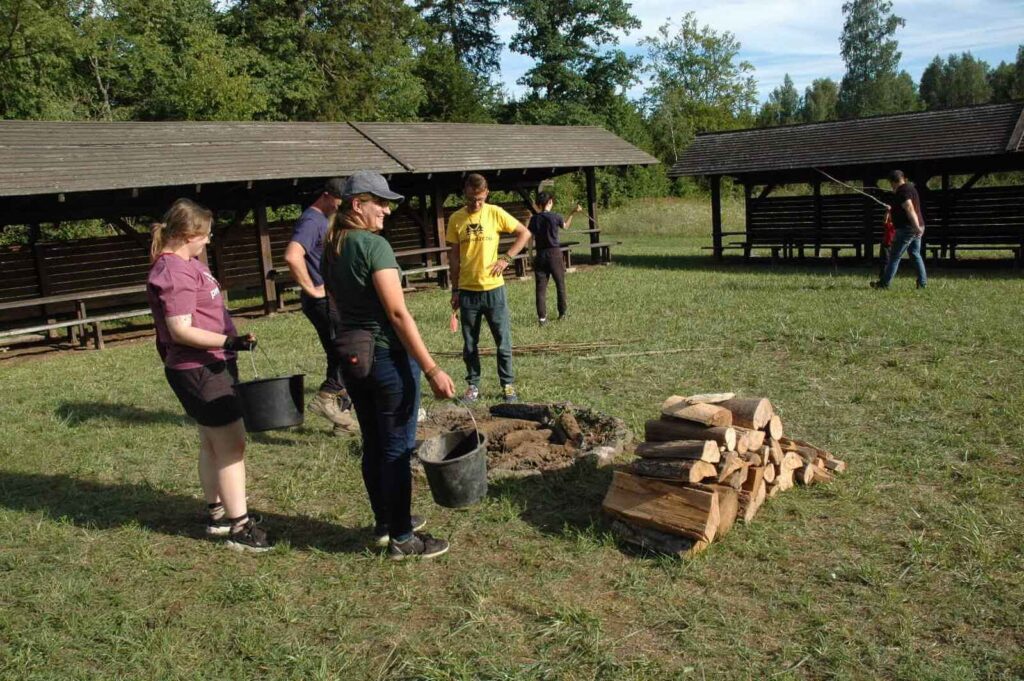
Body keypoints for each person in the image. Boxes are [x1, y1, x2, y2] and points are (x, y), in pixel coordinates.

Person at [323, 171, 456, 560]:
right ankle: (402, 538)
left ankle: (386, 520)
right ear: (356, 204)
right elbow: (397, 314)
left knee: (374, 443)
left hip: (353, 358)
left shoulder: (333, 245)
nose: (386, 209)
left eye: (387, 202)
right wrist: (431, 368)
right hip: (386, 359)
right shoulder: (373, 246)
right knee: (397, 448)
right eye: (378, 202)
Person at [147, 198, 271, 553]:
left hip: (210, 365)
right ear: (188, 234)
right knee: (232, 447)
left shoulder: (187, 264)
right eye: (205, 236)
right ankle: (240, 527)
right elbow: (180, 329)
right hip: (200, 369)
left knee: (212, 443)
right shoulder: (174, 272)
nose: (208, 241)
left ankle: (218, 513)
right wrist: (229, 340)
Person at [447, 173, 532, 404]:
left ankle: (507, 385)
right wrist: (455, 290)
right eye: (472, 199)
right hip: (467, 291)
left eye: (480, 199)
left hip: (494, 290)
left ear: (486, 194)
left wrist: (506, 258)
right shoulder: (456, 219)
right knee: (470, 343)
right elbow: (454, 258)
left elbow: (524, 233)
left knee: (502, 340)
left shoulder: (494, 213)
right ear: (465, 192)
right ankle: (473, 386)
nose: (476, 204)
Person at [284, 179, 358, 434]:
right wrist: (312, 289)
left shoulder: (321, 221)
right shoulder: (312, 220)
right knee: (347, 350)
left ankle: (343, 422)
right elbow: (292, 256)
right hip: (323, 301)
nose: (341, 206)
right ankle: (326, 397)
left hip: (331, 298)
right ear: (327, 196)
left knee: (341, 352)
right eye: (339, 201)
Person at [528, 191, 583, 325]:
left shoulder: (534, 219)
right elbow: (565, 226)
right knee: (560, 284)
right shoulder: (555, 217)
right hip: (554, 254)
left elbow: (530, 238)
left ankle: (542, 318)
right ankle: (562, 313)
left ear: (537, 204)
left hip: (540, 255)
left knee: (540, 288)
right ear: (550, 202)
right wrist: (573, 212)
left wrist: (530, 256)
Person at [873, 170, 927, 289]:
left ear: (893, 181)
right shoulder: (910, 188)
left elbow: (909, 208)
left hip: (908, 228)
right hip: (916, 226)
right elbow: (904, 208)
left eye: (891, 183)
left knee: (894, 256)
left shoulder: (903, 191)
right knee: (915, 254)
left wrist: (916, 227)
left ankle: (884, 284)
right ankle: (922, 283)